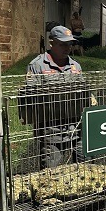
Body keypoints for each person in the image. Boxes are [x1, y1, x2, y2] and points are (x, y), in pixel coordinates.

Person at [24, 25, 89, 168]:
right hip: (50, 132)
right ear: (51, 42)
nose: (67, 48)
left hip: (76, 129)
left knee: (84, 169)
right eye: (62, 44)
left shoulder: (75, 67)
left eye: (70, 44)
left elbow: (84, 92)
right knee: (50, 173)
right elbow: (30, 96)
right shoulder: (37, 66)